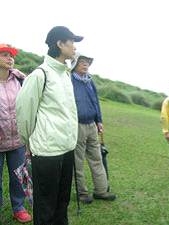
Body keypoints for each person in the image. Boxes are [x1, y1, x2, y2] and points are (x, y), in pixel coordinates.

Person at [16, 26, 83, 225]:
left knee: (62, 204)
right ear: (60, 44)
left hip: (67, 149)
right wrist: (29, 142)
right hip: (46, 153)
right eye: (72, 42)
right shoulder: (40, 75)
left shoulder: (66, 74)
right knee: (46, 207)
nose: (75, 47)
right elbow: (24, 114)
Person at [70, 53, 116, 204]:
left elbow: (95, 101)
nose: (85, 65)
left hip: (91, 125)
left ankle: (101, 191)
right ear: (75, 63)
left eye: (88, 63)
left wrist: (99, 120)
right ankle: (82, 193)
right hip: (76, 125)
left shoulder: (90, 81)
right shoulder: (69, 80)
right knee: (78, 161)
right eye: (82, 62)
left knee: (96, 158)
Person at [0, 44, 32, 223]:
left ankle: (18, 207)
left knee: (18, 176)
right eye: (4, 55)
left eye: (11, 56)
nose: (9, 58)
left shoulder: (20, 80)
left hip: (17, 140)